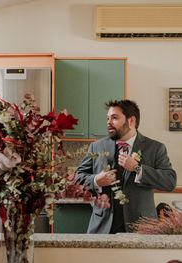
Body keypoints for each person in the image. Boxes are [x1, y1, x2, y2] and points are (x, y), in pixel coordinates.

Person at [75, 99, 176, 234]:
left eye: (115, 118)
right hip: (102, 227)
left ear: (131, 120)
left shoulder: (155, 148)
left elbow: (170, 181)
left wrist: (138, 169)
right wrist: (96, 180)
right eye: (108, 118)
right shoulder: (97, 146)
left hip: (141, 228)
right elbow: (77, 178)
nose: (109, 122)